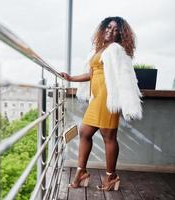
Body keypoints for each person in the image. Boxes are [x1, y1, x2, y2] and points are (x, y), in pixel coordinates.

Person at [61, 16, 142, 191]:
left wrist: (127, 102)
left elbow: (125, 76)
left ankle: (110, 176)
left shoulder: (117, 50)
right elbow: (91, 74)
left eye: (115, 30)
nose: (111, 31)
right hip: (96, 98)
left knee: (108, 137)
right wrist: (71, 78)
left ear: (121, 34)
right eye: (108, 28)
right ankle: (81, 172)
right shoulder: (98, 49)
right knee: (85, 133)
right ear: (103, 29)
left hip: (108, 98)